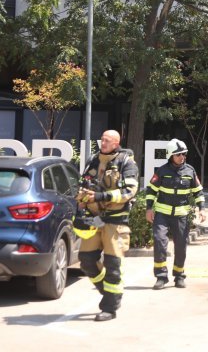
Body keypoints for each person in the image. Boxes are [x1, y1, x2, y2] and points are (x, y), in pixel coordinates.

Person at [75, 129, 139, 322]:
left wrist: (102, 196)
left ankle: (109, 308)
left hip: (115, 221)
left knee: (113, 265)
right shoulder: (93, 159)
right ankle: (109, 292)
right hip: (95, 220)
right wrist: (81, 206)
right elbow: (84, 183)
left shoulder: (126, 162)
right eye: (102, 139)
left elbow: (130, 191)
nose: (102, 142)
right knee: (86, 259)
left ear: (116, 143)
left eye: (107, 140)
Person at [145, 138, 206, 290]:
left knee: (180, 246)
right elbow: (151, 190)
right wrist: (149, 208)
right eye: (178, 154)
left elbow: (198, 192)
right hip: (162, 216)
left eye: (184, 154)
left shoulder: (190, 171)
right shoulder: (162, 171)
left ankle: (179, 276)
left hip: (181, 216)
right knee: (159, 242)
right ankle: (161, 277)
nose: (182, 157)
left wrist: (202, 208)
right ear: (170, 155)